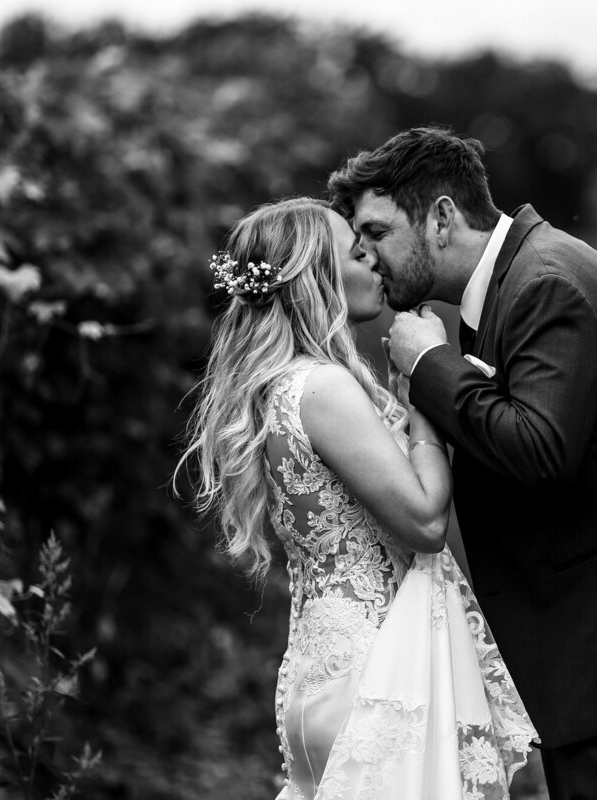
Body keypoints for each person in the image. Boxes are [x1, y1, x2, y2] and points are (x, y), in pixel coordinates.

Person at [327, 128, 597, 800]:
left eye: (376, 231)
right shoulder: (511, 286)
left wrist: (430, 365)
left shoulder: (547, 283)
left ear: (443, 217)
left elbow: (540, 453)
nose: (365, 254)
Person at [176, 197, 535, 800]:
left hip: (326, 665)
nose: (373, 259)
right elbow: (423, 520)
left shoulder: (280, 387)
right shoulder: (323, 388)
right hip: (377, 673)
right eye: (355, 250)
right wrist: (426, 397)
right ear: (318, 276)